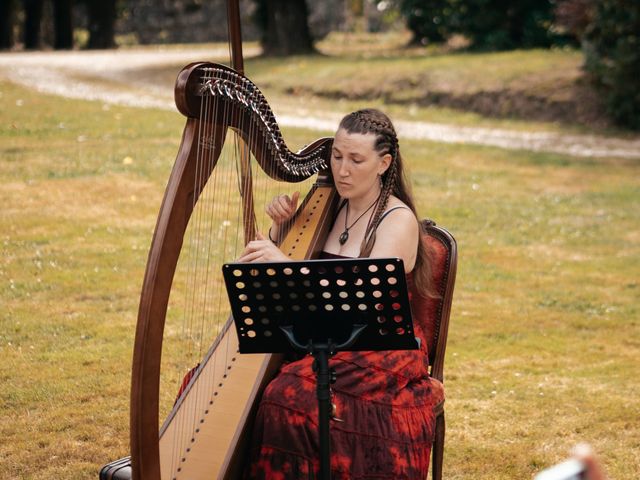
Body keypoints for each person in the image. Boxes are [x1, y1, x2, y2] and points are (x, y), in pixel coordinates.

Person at [238, 108, 442, 479]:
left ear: (383, 163)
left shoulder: (397, 221)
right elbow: (266, 279)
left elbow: (361, 300)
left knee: (290, 399)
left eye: (355, 160)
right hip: (320, 336)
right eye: (336, 156)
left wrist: (285, 264)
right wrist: (278, 230)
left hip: (379, 346)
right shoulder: (326, 207)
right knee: (226, 388)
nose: (341, 170)